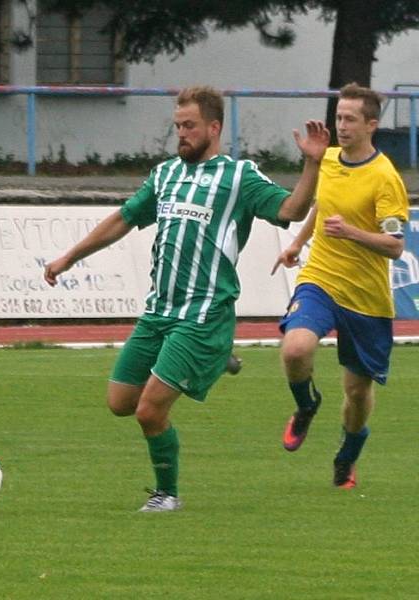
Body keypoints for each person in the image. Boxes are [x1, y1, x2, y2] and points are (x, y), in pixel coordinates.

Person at [44, 86, 330, 512]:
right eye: (177, 125)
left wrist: (311, 162)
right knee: (120, 403)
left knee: (149, 411)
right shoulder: (165, 176)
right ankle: (217, 359)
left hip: (202, 315)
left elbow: (290, 209)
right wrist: (70, 256)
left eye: (189, 126)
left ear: (213, 128)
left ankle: (167, 494)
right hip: (159, 312)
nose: (181, 133)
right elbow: (123, 220)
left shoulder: (239, 178)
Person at [272, 83, 409, 489]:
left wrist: (351, 232)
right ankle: (305, 405)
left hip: (366, 299)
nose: (342, 126)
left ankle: (348, 452)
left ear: (372, 124)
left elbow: (396, 247)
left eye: (350, 119)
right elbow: (322, 205)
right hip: (321, 279)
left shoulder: (386, 178)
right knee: (296, 348)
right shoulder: (328, 160)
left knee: (357, 395)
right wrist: (296, 243)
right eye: (338, 118)